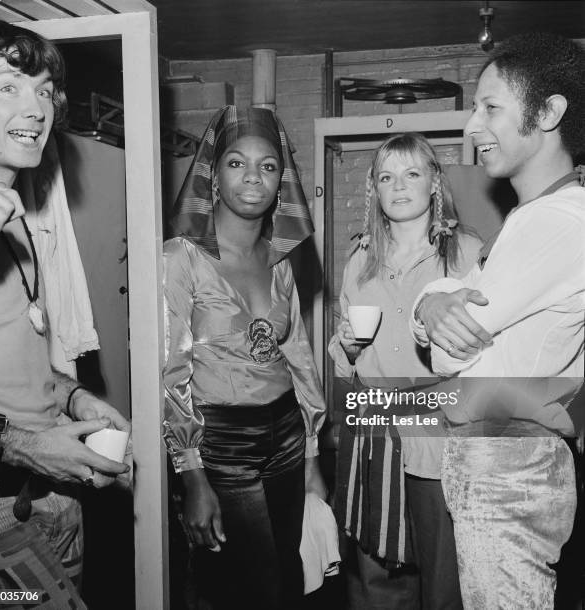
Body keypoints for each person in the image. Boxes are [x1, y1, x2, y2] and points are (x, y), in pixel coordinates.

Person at [410, 32, 585, 608]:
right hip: (516, 458)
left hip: (506, 464)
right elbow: (452, 308)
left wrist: (435, 310)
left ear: (550, 112)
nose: (472, 127)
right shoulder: (533, 218)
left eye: (491, 108)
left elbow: (447, 355)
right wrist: (434, 302)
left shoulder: (555, 221)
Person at [0, 13, 130, 607]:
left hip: (48, 499)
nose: (37, 108)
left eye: (43, 89)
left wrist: (74, 398)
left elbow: (20, 358)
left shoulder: (13, 221)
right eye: (8, 86)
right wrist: (30, 447)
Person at [163, 105, 327, 610]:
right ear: (213, 173)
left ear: (283, 181)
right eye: (237, 163)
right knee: (243, 589)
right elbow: (169, 372)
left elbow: (298, 354)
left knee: (286, 580)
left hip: (286, 435)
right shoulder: (179, 257)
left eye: (269, 165)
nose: (253, 177)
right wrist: (190, 473)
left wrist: (312, 455)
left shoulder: (279, 258)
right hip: (220, 444)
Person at [329, 132, 482, 610]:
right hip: (374, 429)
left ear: (435, 182)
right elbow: (339, 351)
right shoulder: (358, 262)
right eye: (386, 176)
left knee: (445, 580)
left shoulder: (467, 254)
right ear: (373, 187)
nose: (398, 186)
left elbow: (491, 349)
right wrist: (348, 348)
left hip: (441, 430)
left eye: (412, 173)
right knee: (379, 581)